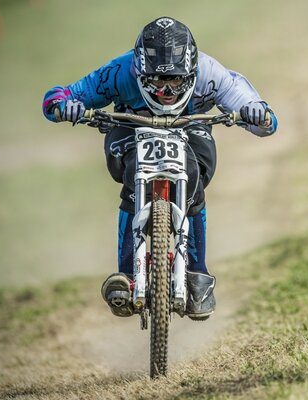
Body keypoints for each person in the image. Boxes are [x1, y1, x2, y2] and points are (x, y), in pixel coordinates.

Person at [42, 17, 278, 320]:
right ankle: (126, 274)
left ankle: (198, 274)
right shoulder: (118, 72)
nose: (166, 90)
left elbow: (263, 118)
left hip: (189, 128)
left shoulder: (210, 73)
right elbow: (58, 96)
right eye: (156, 81)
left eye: (176, 81)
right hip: (131, 127)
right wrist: (65, 106)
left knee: (194, 180)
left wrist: (256, 113)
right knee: (131, 175)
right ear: (139, 71)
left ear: (192, 72)